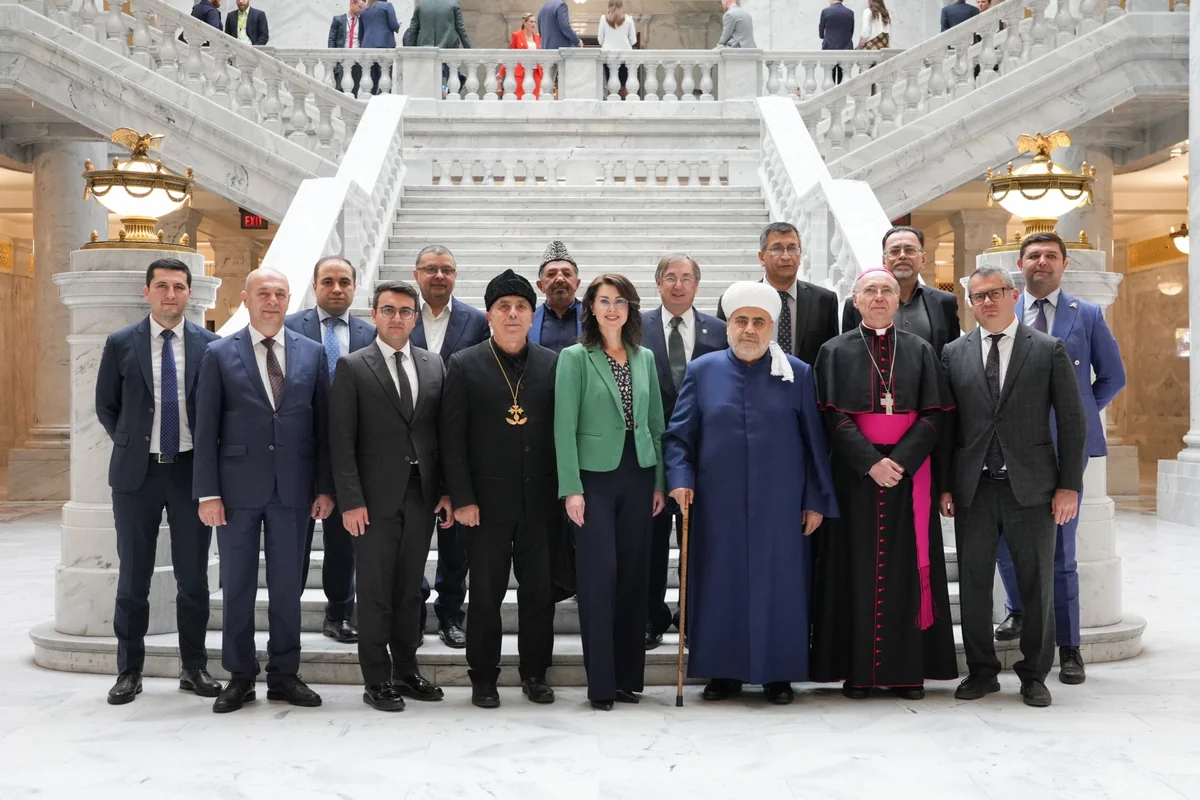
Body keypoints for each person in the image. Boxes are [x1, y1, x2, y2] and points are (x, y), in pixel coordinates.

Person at [664, 282, 837, 705]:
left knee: (781, 588)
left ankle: (779, 675)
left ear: (771, 327)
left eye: (759, 322)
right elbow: (680, 437)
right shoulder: (702, 370)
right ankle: (722, 673)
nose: (749, 330)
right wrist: (680, 478)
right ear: (728, 325)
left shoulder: (797, 372)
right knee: (719, 586)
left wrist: (815, 500)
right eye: (741, 321)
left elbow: (815, 442)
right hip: (716, 506)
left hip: (781, 507)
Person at [940, 265, 1086, 708]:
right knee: (974, 584)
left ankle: (1034, 674)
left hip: (1033, 489)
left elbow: (1072, 421)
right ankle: (981, 672)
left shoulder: (1047, 348)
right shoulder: (953, 352)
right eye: (978, 295)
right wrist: (946, 485)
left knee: (1037, 584)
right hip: (974, 489)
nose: (987, 301)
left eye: (995, 292)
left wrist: (1068, 486)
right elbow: (947, 427)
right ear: (970, 303)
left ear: (1013, 294)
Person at [810, 269, 958, 700]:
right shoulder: (833, 351)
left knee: (907, 571)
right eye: (870, 291)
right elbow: (830, 415)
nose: (878, 297)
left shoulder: (921, 349)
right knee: (854, 571)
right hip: (853, 477)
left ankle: (907, 673)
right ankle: (857, 673)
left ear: (898, 300)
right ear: (855, 300)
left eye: (887, 291)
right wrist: (871, 463)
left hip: (910, 478)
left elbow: (934, 414)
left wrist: (900, 461)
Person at [194, 268, 334, 714]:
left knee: (287, 587)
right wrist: (207, 493)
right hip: (236, 492)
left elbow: (323, 427)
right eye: (263, 293)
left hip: (294, 489)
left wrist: (324, 487)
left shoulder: (312, 352)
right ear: (246, 298)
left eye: (279, 294)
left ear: (289, 299)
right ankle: (239, 676)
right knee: (237, 587)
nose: (272, 301)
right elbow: (205, 428)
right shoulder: (219, 353)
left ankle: (284, 674)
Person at [993, 232, 1126, 685]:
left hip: (1063, 450)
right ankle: (1018, 610)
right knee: (1005, 539)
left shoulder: (1085, 315)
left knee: (1060, 550)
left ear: (1065, 264)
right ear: (1020, 264)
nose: (1042, 262)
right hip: (1009, 447)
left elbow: (1112, 376)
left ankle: (1068, 646)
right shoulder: (1004, 312)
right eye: (1034, 255)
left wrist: (1076, 415)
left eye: (1051, 255)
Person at [96, 258, 222, 706]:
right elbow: (106, 406)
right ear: (147, 291)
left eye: (179, 287)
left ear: (190, 293)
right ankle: (129, 671)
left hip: (191, 474)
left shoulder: (211, 346)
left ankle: (194, 668)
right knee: (134, 578)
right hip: (138, 476)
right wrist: (133, 443)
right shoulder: (120, 343)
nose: (171, 294)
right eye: (163, 286)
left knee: (194, 580)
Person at [329, 280, 452, 712]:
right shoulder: (353, 366)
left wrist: (447, 491)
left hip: (422, 496)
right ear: (374, 315)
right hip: (372, 500)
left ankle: (406, 669)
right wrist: (351, 500)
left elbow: (442, 434)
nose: (396, 318)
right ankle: (377, 678)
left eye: (404, 311)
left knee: (409, 590)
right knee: (376, 591)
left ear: (416, 317)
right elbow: (341, 440)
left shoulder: (434, 364)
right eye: (387, 310)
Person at [440, 270, 559, 709]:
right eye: (503, 307)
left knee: (539, 595)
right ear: (489, 315)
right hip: (485, 505)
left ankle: (535, 673)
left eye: (521, 307)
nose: (512, 314)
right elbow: (452, 439)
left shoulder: (552, 363)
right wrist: (463, 498)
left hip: (540, 503)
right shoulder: (464, 363)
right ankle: (483, 678)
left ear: (532, 314)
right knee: (486, 596)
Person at [554, 274, 666, 710]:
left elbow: (656, 424)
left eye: (620, 301)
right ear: (591, 308)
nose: (613, 308)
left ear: (630, 308)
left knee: (634, 578)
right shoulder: (575, 357)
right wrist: (571, 488)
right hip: (593, 480)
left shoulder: (644, 357)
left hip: (639, 475)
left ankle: (627, 679)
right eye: (604, 301)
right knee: (598, 578)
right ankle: (601, 684)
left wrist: (659, 481)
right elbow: (563, 426)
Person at [284, 256, 377, 646]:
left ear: (354, 287)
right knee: (293, 544)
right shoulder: (289, 327)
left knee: (343, 544)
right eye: (328, 281)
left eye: (344, 281)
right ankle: (285, 614)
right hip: (298, 454)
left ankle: (339, 613)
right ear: (314, 286)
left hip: (349, 457)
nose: (336, 288)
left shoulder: (371, 333)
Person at [640, 254, 726, 650]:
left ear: (697, 285)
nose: (678, 285)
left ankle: (691, 616)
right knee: (652, 543)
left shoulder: (720, 330)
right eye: (670, 278)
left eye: (686, 278)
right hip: (651, 454)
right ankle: (651, 618)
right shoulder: (635, 327)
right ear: (658, 283)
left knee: (698, 543)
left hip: (704, 455)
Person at [409, 245, 490, 649]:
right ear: (416, 274)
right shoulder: (401, 315)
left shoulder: (476, 321)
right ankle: (413, 610)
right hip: (411, 447)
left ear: (456, 276)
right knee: (410, 539)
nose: (439, 276)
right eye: (430, 269)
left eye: (446, 270)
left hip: (460, 446)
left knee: (456, 543)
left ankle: (451, 613)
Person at [716, 222, 839, 367]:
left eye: (792, 248)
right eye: (777, 249)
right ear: (762, 257)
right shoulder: (737, 301)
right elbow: (723, 354)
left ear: (800, 255)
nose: (786, 256)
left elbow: (830, 358)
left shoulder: (824, 301)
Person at [841, 225, 961, 358]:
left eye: (910, 250)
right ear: (884, 261)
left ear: (923, 260)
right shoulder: (857, 304)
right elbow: (847, 354)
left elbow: (952, 356)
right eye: (894, 251)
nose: (902, 256)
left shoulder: (944, 302)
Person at [530, 240, 583, 353]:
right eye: (551, 274)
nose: (559, 279)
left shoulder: (594, 317)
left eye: (567, 274)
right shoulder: (528, 320)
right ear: (540, 286)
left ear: (577, 284)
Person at [598, 0, 637, 100]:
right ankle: (624, 102)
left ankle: (612, 102)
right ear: (621, 6)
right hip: (625, 56)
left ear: (609, 6)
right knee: (624, 84)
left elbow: (600, 39)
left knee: (611, 83)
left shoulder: (603, 19)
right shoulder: (629, 19)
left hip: (608, 56)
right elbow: (633, 40)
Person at [329, 0, 368, 97]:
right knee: (339, 89)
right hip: (342, 60)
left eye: (363, 8)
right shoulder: (338, 19)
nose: (361, 10)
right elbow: (332, 40)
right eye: (360, 7)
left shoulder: (363, 22)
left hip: (357, 61)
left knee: (354, 90)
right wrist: (332, 60)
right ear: (352, 3)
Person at [360, 0, 400, 95]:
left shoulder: (364, 10)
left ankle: (371, 99)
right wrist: (398, 26)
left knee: (372, 78)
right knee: (385, 76)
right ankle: (383, 101)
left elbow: (361, 32)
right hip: (384, 45)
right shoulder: (387, 6)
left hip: (367, 46)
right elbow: (394, 25)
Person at [499, 13, 543, 99]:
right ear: (524, 22)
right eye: (531, 22)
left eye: (535, 22)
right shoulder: (517, 35)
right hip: (521, 72)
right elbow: (511, 55)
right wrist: (501, 72)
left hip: (536, 71)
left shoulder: (538, 37)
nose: (533, 24)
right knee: (521, 97)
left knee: (535, 98)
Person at [819, 0, 855, 84]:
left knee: (829, 78)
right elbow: (851, 33)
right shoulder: (850, 13)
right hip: (846, 48)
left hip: (829, 48)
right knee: (843, 79)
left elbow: (821, 34)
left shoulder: (826, 11)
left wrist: (827, 33)